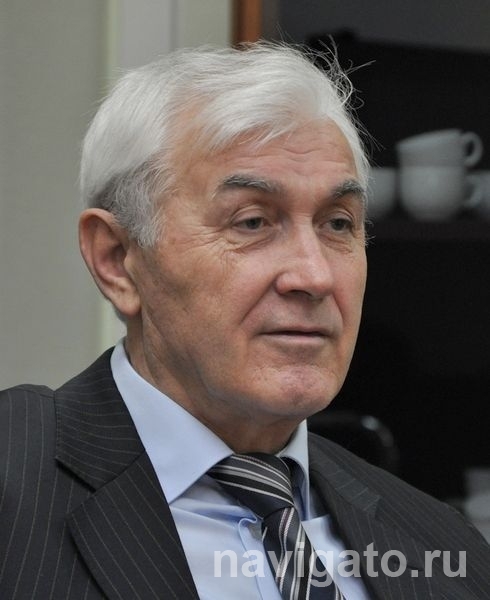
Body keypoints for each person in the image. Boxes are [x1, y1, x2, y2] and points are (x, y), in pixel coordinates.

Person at [0, 42, 489, 600]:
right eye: (252, 222)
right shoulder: (15, 487)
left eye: (337, 224)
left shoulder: (441, 544)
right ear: (118, 260)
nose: (314, 276)